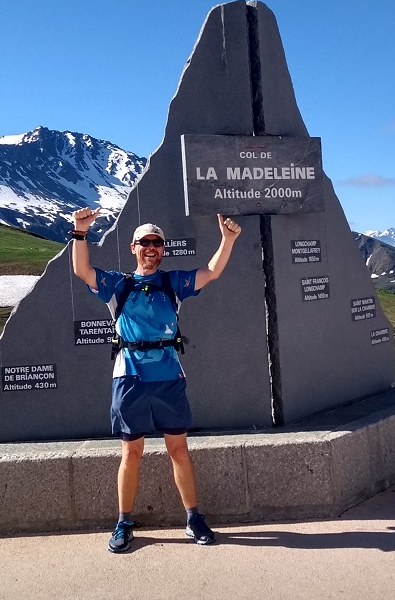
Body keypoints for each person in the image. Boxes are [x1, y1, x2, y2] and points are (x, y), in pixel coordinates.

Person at [70, 206, 242, 553]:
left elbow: (211, 272)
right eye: (145, 242)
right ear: (134, 248)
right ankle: (123, 523)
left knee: (178, 449)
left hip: (168, 376)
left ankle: (193, 518)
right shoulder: (118, 284)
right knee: (131, 452)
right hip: (129, 377)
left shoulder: (171, 282)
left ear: (163, 249)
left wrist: (227, 240)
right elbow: (82, 270)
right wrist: (80, 232)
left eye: (158, 243)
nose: (152, 248)